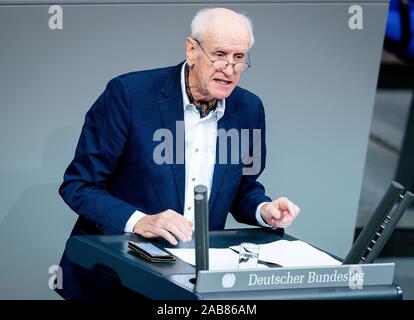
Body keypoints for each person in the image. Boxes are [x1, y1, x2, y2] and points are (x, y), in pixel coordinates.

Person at [57, 7, 300, 299]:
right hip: (114, 280)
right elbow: (79, 186)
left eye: (239, 58)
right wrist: (140, 221)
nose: (230, 68)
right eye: (220, 54)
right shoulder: (129, 95)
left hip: (188, 285)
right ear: (191, 50)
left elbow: (243, 189)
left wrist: (264, 210)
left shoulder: (249, 109)